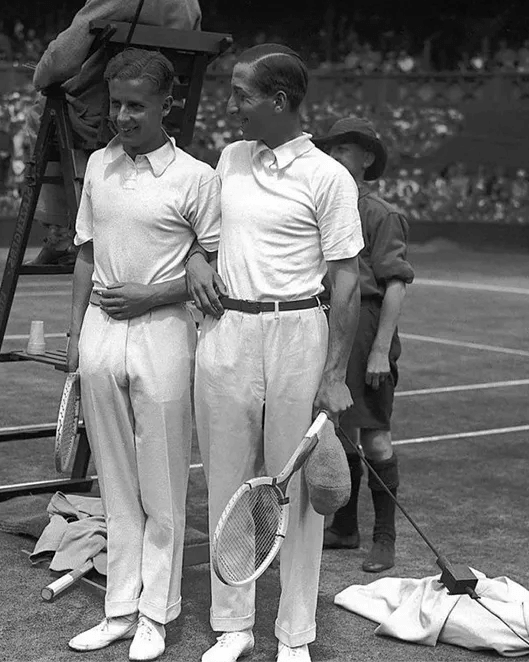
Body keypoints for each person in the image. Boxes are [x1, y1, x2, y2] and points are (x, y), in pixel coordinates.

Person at [185, 44, 363, 662]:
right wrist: (196, 259)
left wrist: (335, 373)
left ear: (279, 101)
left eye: (242, 95)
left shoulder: (329, 177)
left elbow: (346, 282)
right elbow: (200, 230)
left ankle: (295, 635)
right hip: (227, 332)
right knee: (227, 482)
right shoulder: (231, 157)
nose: (232, 107)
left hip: (298, 338)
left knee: (298, 495)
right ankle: (232, 627)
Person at [65, 48, 221, 661]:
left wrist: (149, 294)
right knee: (115, 485)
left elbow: (215, 272)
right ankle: (120, 609)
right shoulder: (99, 167)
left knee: (162, 488)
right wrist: (76, 341)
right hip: (100, 337)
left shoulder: (197, 177)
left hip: (163, 336)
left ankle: (157, 613)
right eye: (117, 104)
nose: (123, 117)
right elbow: (84, 253)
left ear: (167, 106)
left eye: (136, 105)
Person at [26, 0, 202, 266]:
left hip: (105, 117)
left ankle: (59, 232)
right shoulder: (190, 4)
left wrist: (40, 77)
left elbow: (62, 58)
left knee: (40, 112)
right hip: (164, 119)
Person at [313, 118, 415, 574]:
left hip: (368, 326)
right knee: (339, 431)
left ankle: (385, 538)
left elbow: (394, 284)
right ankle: (346, 526)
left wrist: (379, 349)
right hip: (332, 324)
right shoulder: (326, 207)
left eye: (344, 148)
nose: (333, 155)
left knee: (374, 435)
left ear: (367, 157)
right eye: (330, 147)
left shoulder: (380, 213)